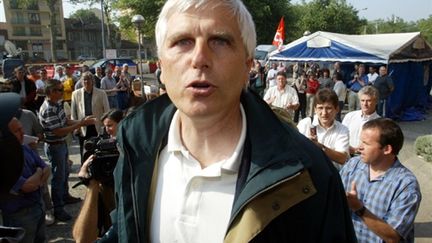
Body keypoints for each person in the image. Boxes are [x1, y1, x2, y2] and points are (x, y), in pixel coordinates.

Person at [96, 1, 356, 242]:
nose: (199, 58)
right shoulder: (135, 149)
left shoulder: (310, 175)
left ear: (247, 65)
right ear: (161, 65)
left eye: (219, 41)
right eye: (183, 41)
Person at [339, 118, 421, 242]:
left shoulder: (406, 186)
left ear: (387, 149)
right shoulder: (353, 165)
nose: (359, 147)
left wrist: (359, 209)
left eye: (366, 143)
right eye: (361, 141)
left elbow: (394, 237)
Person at [39, 79, 96, 221]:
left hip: (60, 144)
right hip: (55, 145)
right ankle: (58, 208)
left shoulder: (56, 104)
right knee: (58, 177)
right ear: (51, 92)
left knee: (64, 173)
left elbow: (65, 121)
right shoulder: (48, 109)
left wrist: (82, 121)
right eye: (59, 90)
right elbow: (58, 130)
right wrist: (81, 124)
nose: (62, 92)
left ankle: (65, 196)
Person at [73, 109, 124, 242]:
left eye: (110, 125)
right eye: (105, 126)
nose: (107, 129)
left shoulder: (129, 145)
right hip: (105, 191)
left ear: (122, 123)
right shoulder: (101, 144)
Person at [0, 117, 50, 243]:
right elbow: (28, 186)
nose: (23, 133)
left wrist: (37, 179)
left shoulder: (24, 148)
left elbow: (47, 168)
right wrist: (38, 172)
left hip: (37, 206)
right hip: (20, 215)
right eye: (17, 131)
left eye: (22, 129)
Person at [297, 89, 350, 170]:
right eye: (320, 108)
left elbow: (342, 158)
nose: (324, 113)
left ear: (337, 109)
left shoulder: (342, 130)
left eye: (328, 108)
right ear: (315, 109)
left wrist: (320, 148)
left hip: (332, 175)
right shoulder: (305, 124)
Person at [71, 71, 110, 163]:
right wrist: (76, 126)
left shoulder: (101, 93)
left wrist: (106, 126)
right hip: (83, 127)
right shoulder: (76, 94)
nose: (86, 82)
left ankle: (96, 170)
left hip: (97, 126)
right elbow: (73, 112)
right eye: (84, 80)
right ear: (81, 81)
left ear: (93, 81)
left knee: (97, 150)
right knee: (84, 151)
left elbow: (107, 111)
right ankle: (84, 169)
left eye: (89, 79)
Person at [342, 86, 380, 156]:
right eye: (362, 100)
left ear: (376, 101)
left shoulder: (380, 123)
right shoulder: (350, 116)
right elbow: (341, 136)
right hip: (347, 156)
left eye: (368, 101)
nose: (365, 104)